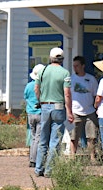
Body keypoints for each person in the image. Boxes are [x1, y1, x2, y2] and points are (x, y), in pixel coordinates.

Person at [34, 47, 74, 177]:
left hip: (45, 106)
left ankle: (38, 168)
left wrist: (40, 100)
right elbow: (67, 93)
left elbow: (36, 88)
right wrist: (69, 111)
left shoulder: (42, 71)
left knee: (42, 138)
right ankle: (49, 170)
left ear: (50, 58)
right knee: (55, 140)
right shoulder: (65, 73)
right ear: (62, 59)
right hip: (58, 106)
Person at [70, 56, 99, 163]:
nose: (75, 68)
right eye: (74, 66)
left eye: (77, 66)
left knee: (91, 136)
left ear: (83, 66)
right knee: (73, 135)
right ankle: (73, 155)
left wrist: (96, 108)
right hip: (75, 111)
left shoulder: (91, 79)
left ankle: (92, 156)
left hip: (89, 111)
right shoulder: (71, 79)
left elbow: (96, 95)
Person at [24, 64, 44, 168]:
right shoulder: (42, 86)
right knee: (38, 137)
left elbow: (25, 97)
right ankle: (35, 159)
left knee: (33, 136)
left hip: (30, 112)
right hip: (39, 112)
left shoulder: (28, 86)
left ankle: (32, 157)